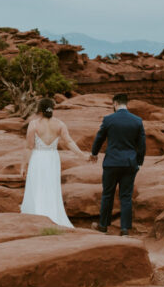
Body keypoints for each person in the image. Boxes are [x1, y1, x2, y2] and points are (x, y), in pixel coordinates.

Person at [19, 98, 84, 228]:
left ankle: (37, 215)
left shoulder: (34, 124)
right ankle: (53, 215)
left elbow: (28, 147)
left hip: (38, 158)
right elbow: (69, 142)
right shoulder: (60, 124)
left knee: (37, 186)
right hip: (52, 158)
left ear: (40, 110)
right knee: (51, 187)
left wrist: (23, 166)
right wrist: (82, 155)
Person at [89, 93, 146, 236]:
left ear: (115, 103)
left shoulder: (109, 119)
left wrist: (94, 153)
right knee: (126, 196)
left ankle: (103, 226)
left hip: (112, 163)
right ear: (126, 104)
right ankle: (124, 229)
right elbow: (142, 145)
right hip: (129, 163)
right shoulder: (137, 121)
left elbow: (99, 137)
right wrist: (138, 162)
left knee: (107, 194)